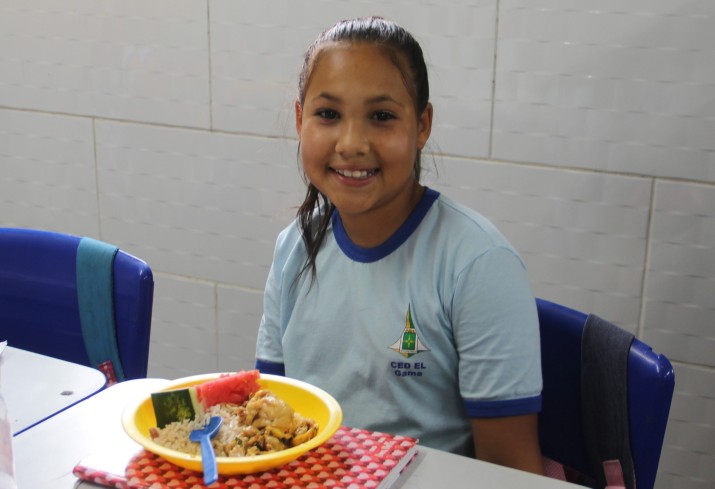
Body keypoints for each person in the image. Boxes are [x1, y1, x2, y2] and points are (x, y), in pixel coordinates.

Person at [255, 16, 545, 475]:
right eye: (328, 114)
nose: (351, 144)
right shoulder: (294, 248)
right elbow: (269, 423)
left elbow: (511, 472)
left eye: (382, 116)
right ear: (299, 119)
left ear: (422, 125)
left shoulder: (478, 264)